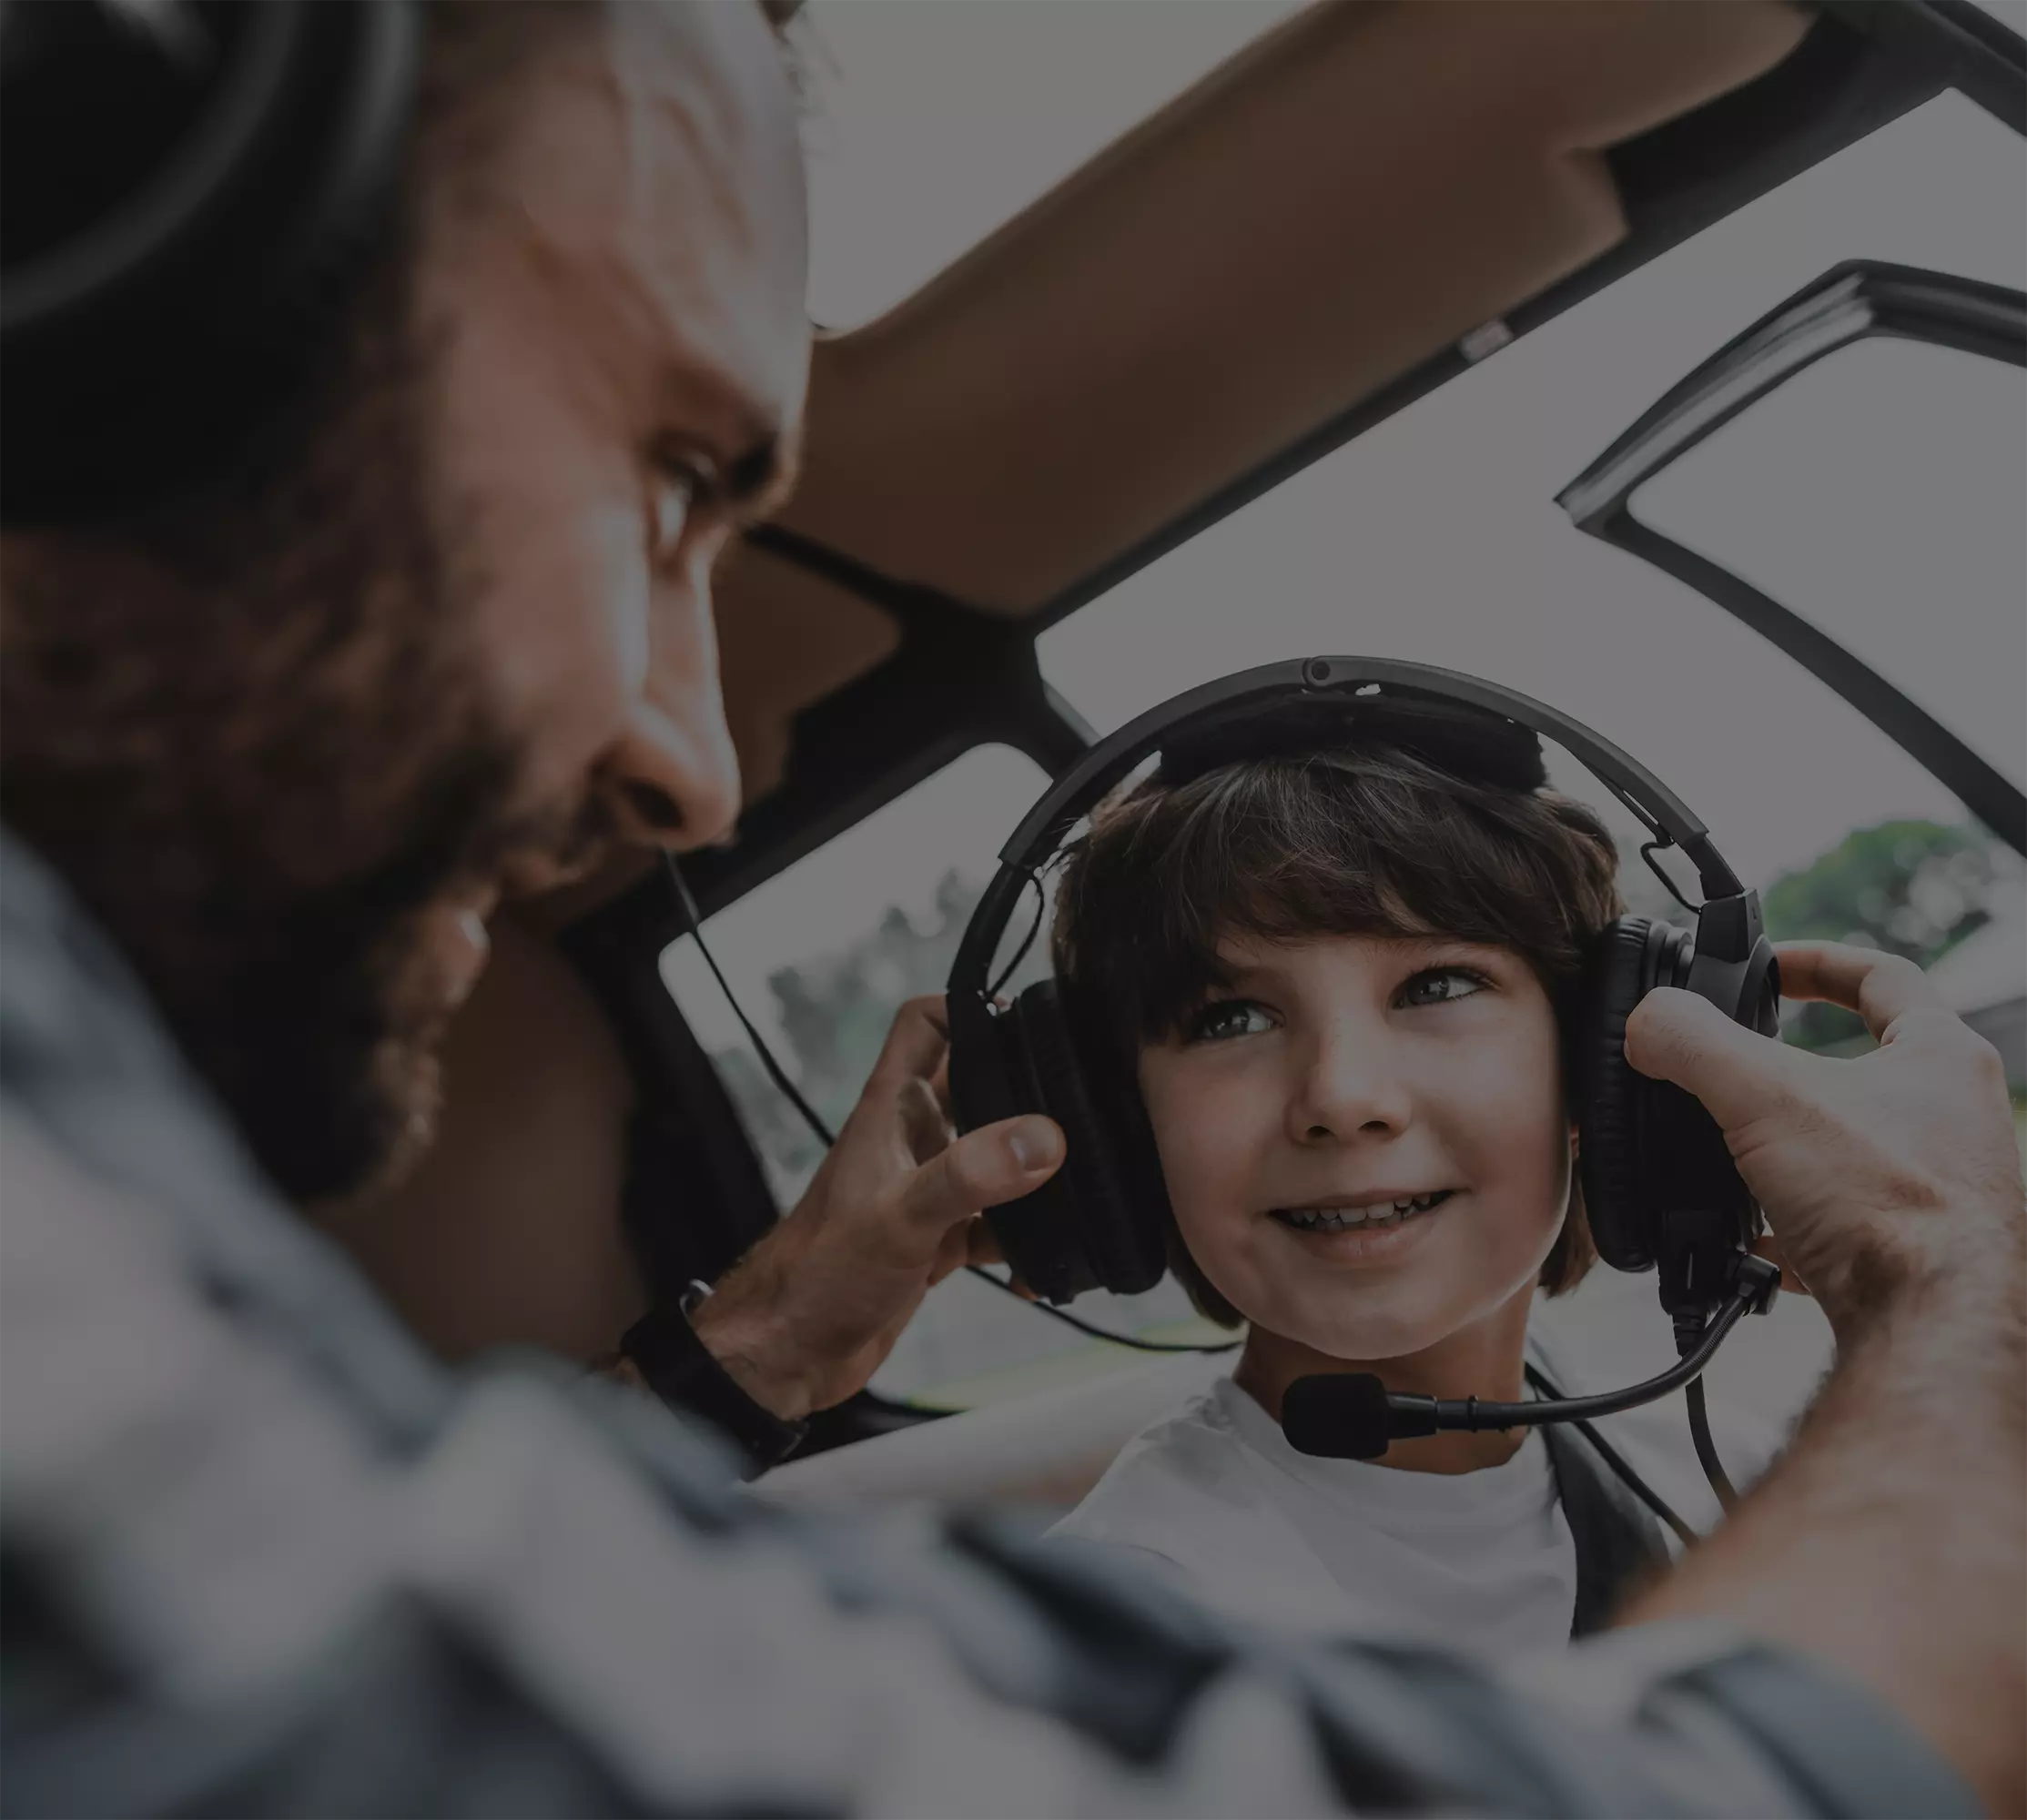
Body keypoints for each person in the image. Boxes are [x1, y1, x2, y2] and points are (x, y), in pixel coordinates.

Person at [0, 4, 2021, 1815]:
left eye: (1439, 987)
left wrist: (778, 1328)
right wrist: (1944, 1275)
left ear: (1625, 1074)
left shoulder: (1696, 1458)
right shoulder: (1146, 1591)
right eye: (672, 471)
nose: (688, 764)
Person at [1044, 724, 1779, 1648]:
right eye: (1231, 1016)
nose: (1342, 1097)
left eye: (1436, 986)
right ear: (1119, 1130)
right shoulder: (1121, 1627)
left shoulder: (1729, 1476)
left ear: (1603, 1071)